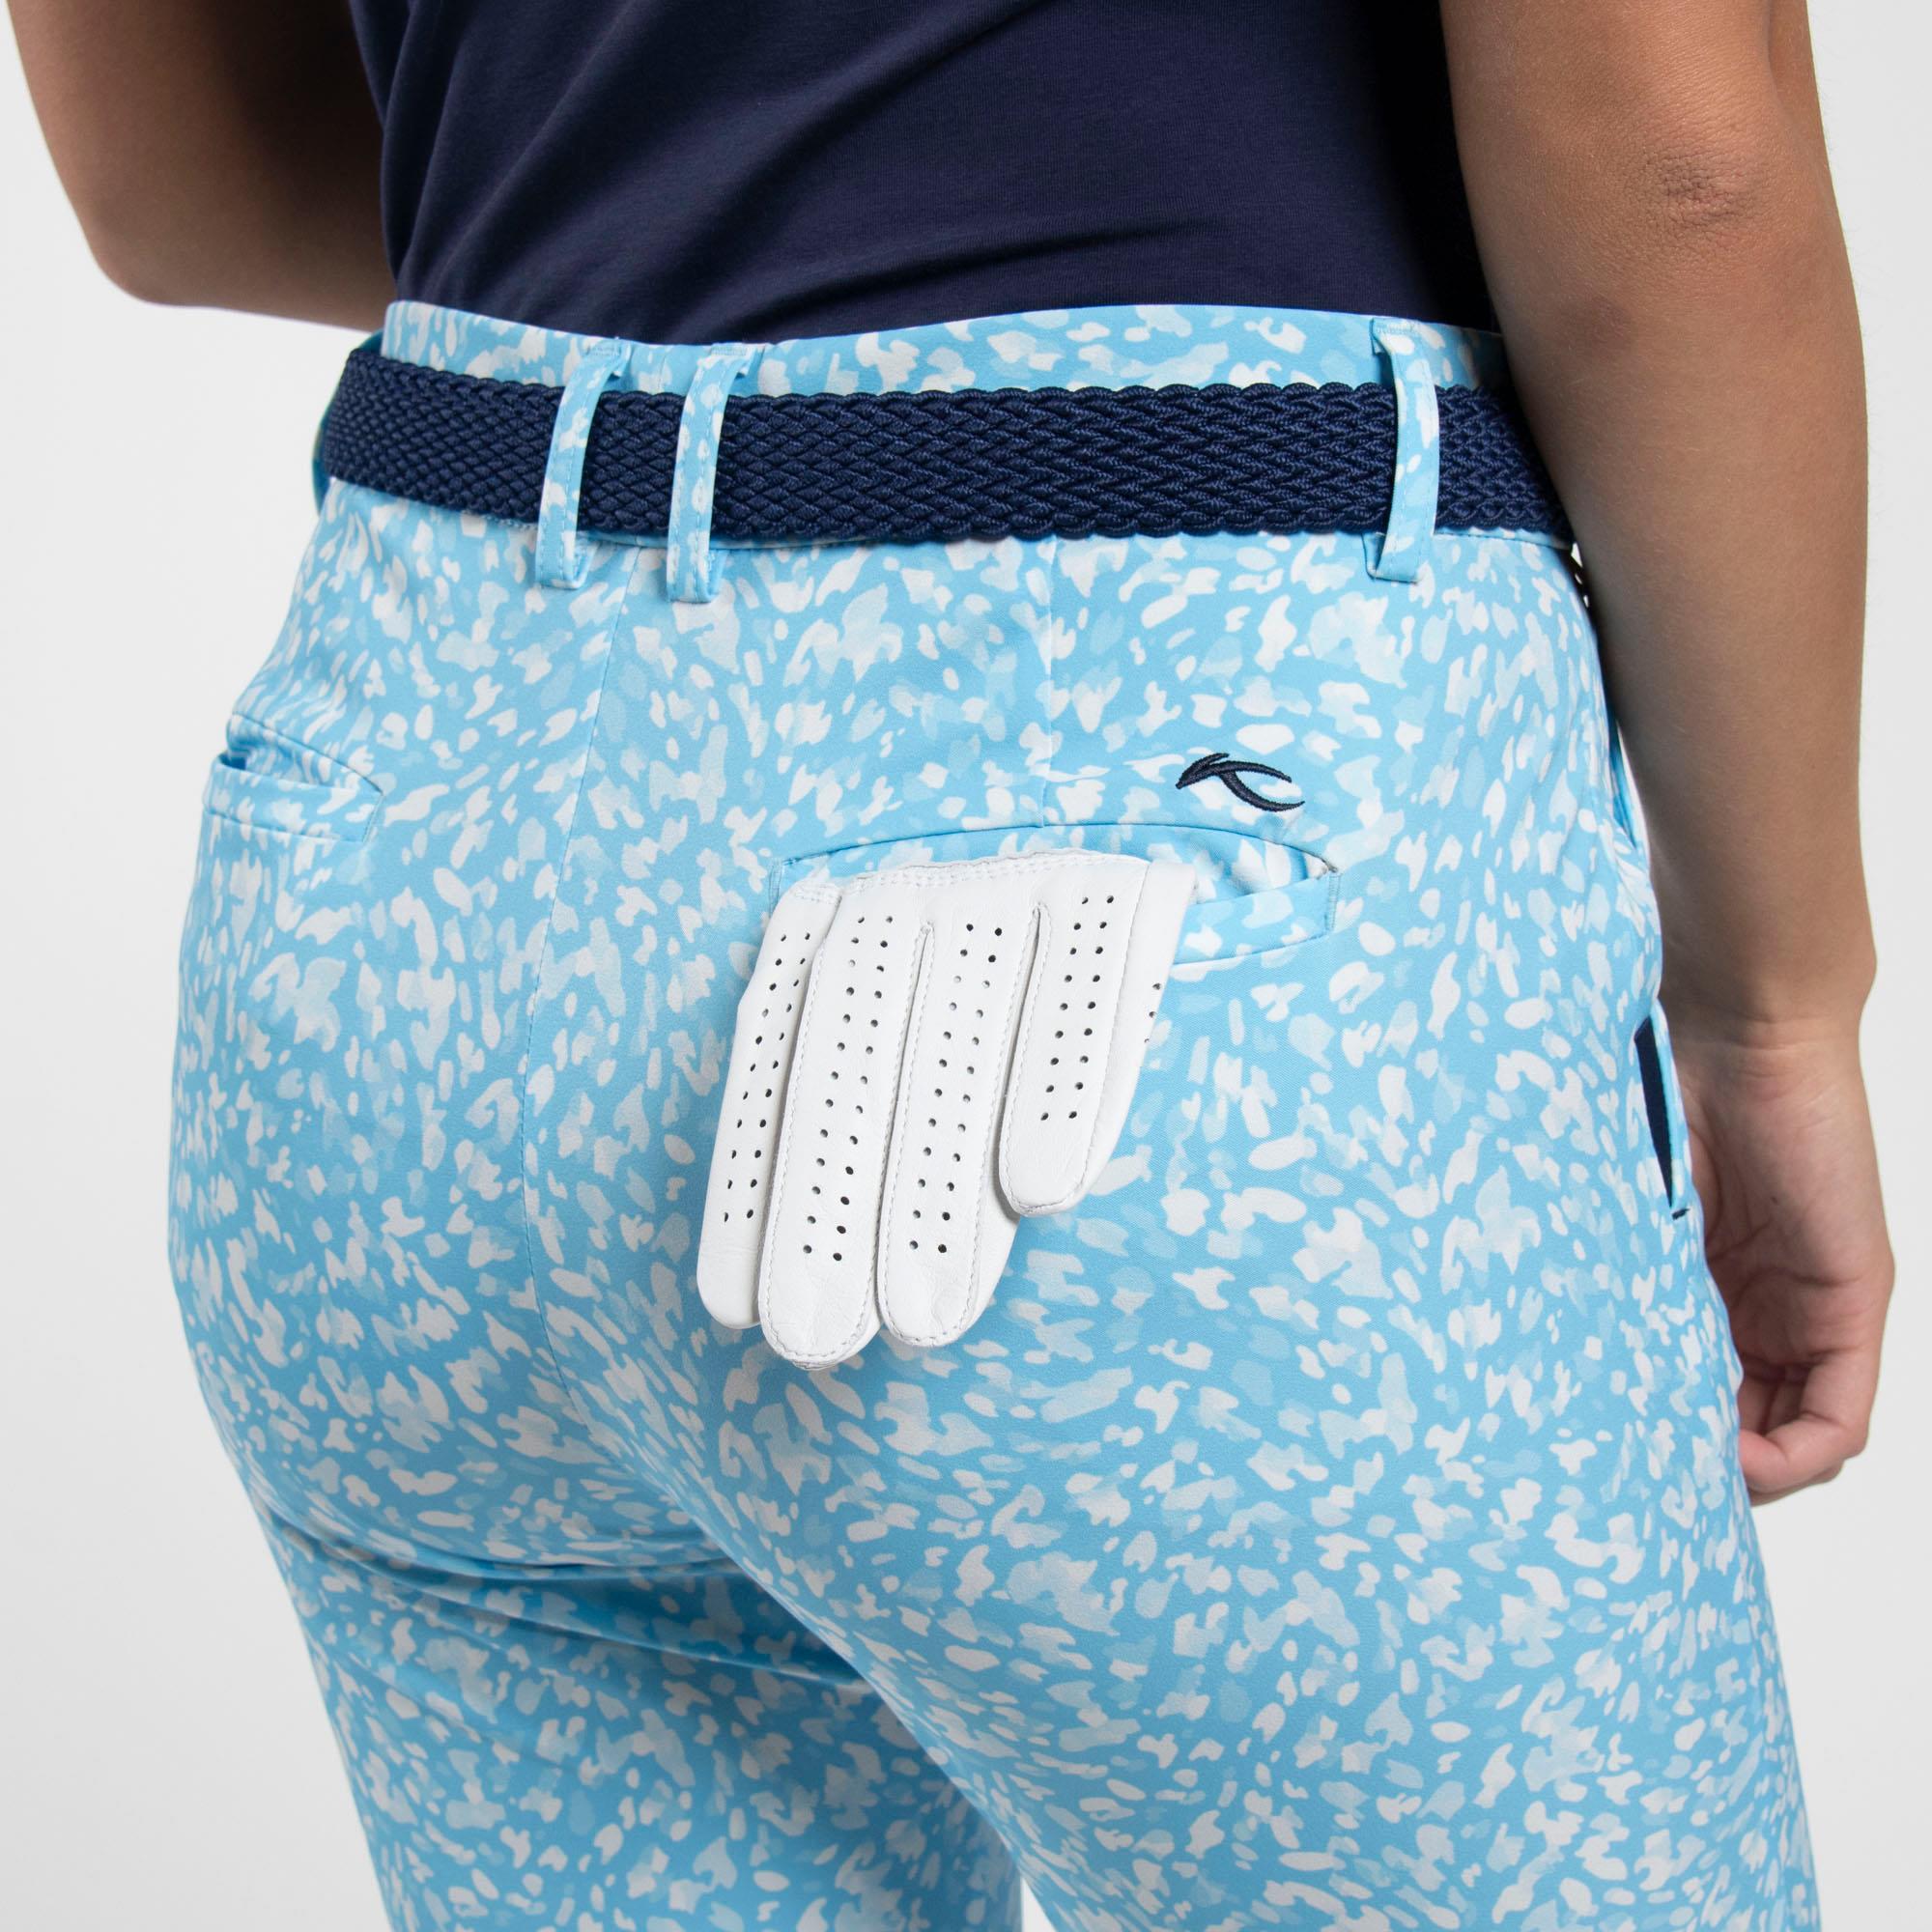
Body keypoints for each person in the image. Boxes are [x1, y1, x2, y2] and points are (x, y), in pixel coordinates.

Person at [12, 2, 1889, 1926]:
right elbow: (1678, 170)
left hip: (404, 897)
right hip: (1158, 831)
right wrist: (1771, 995)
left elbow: (176, 181)